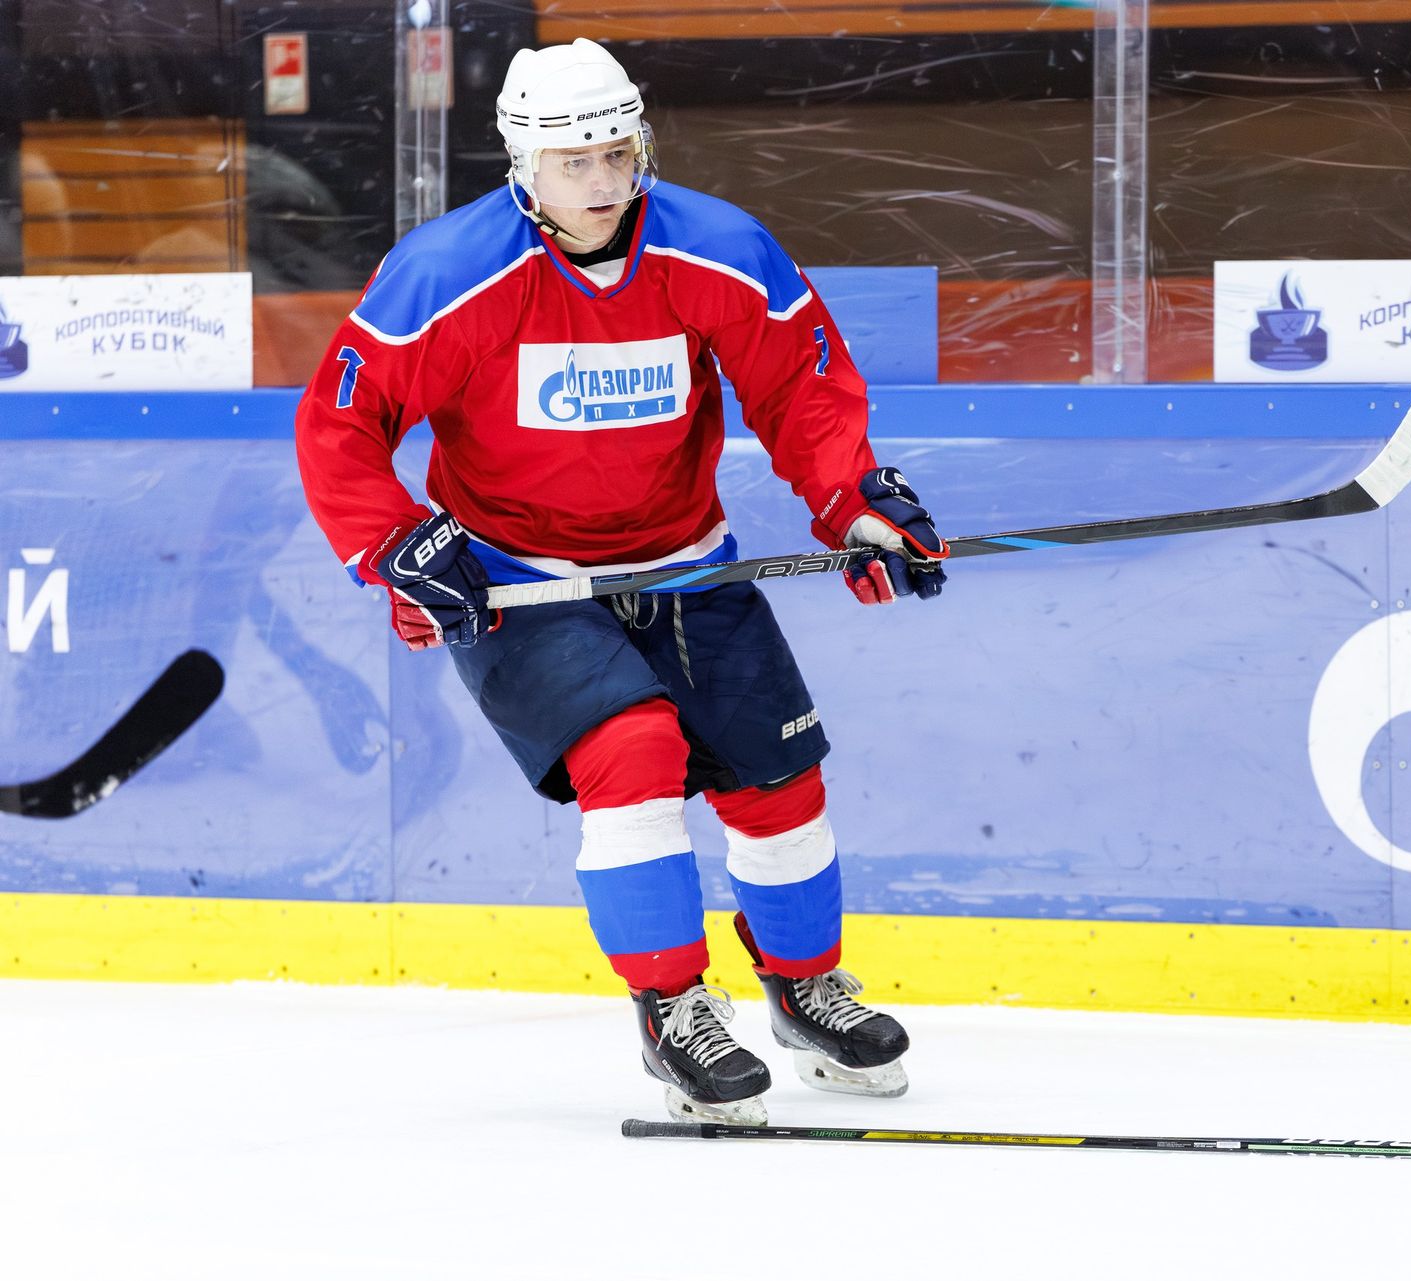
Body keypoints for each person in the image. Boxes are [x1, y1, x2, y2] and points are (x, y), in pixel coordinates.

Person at [293, 37, 949, 1126]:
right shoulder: (447, 272)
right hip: (520, 580)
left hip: (687, 559)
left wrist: (854, 504)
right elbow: (340, 424)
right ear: (522, 163)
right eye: (575, 162)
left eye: (617, 153)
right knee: (633, 753)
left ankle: (805, 989)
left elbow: (802, 389)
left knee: (778, 778)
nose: (603, 182)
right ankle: (674, 1009)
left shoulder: (720, 247)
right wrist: (394, 543)